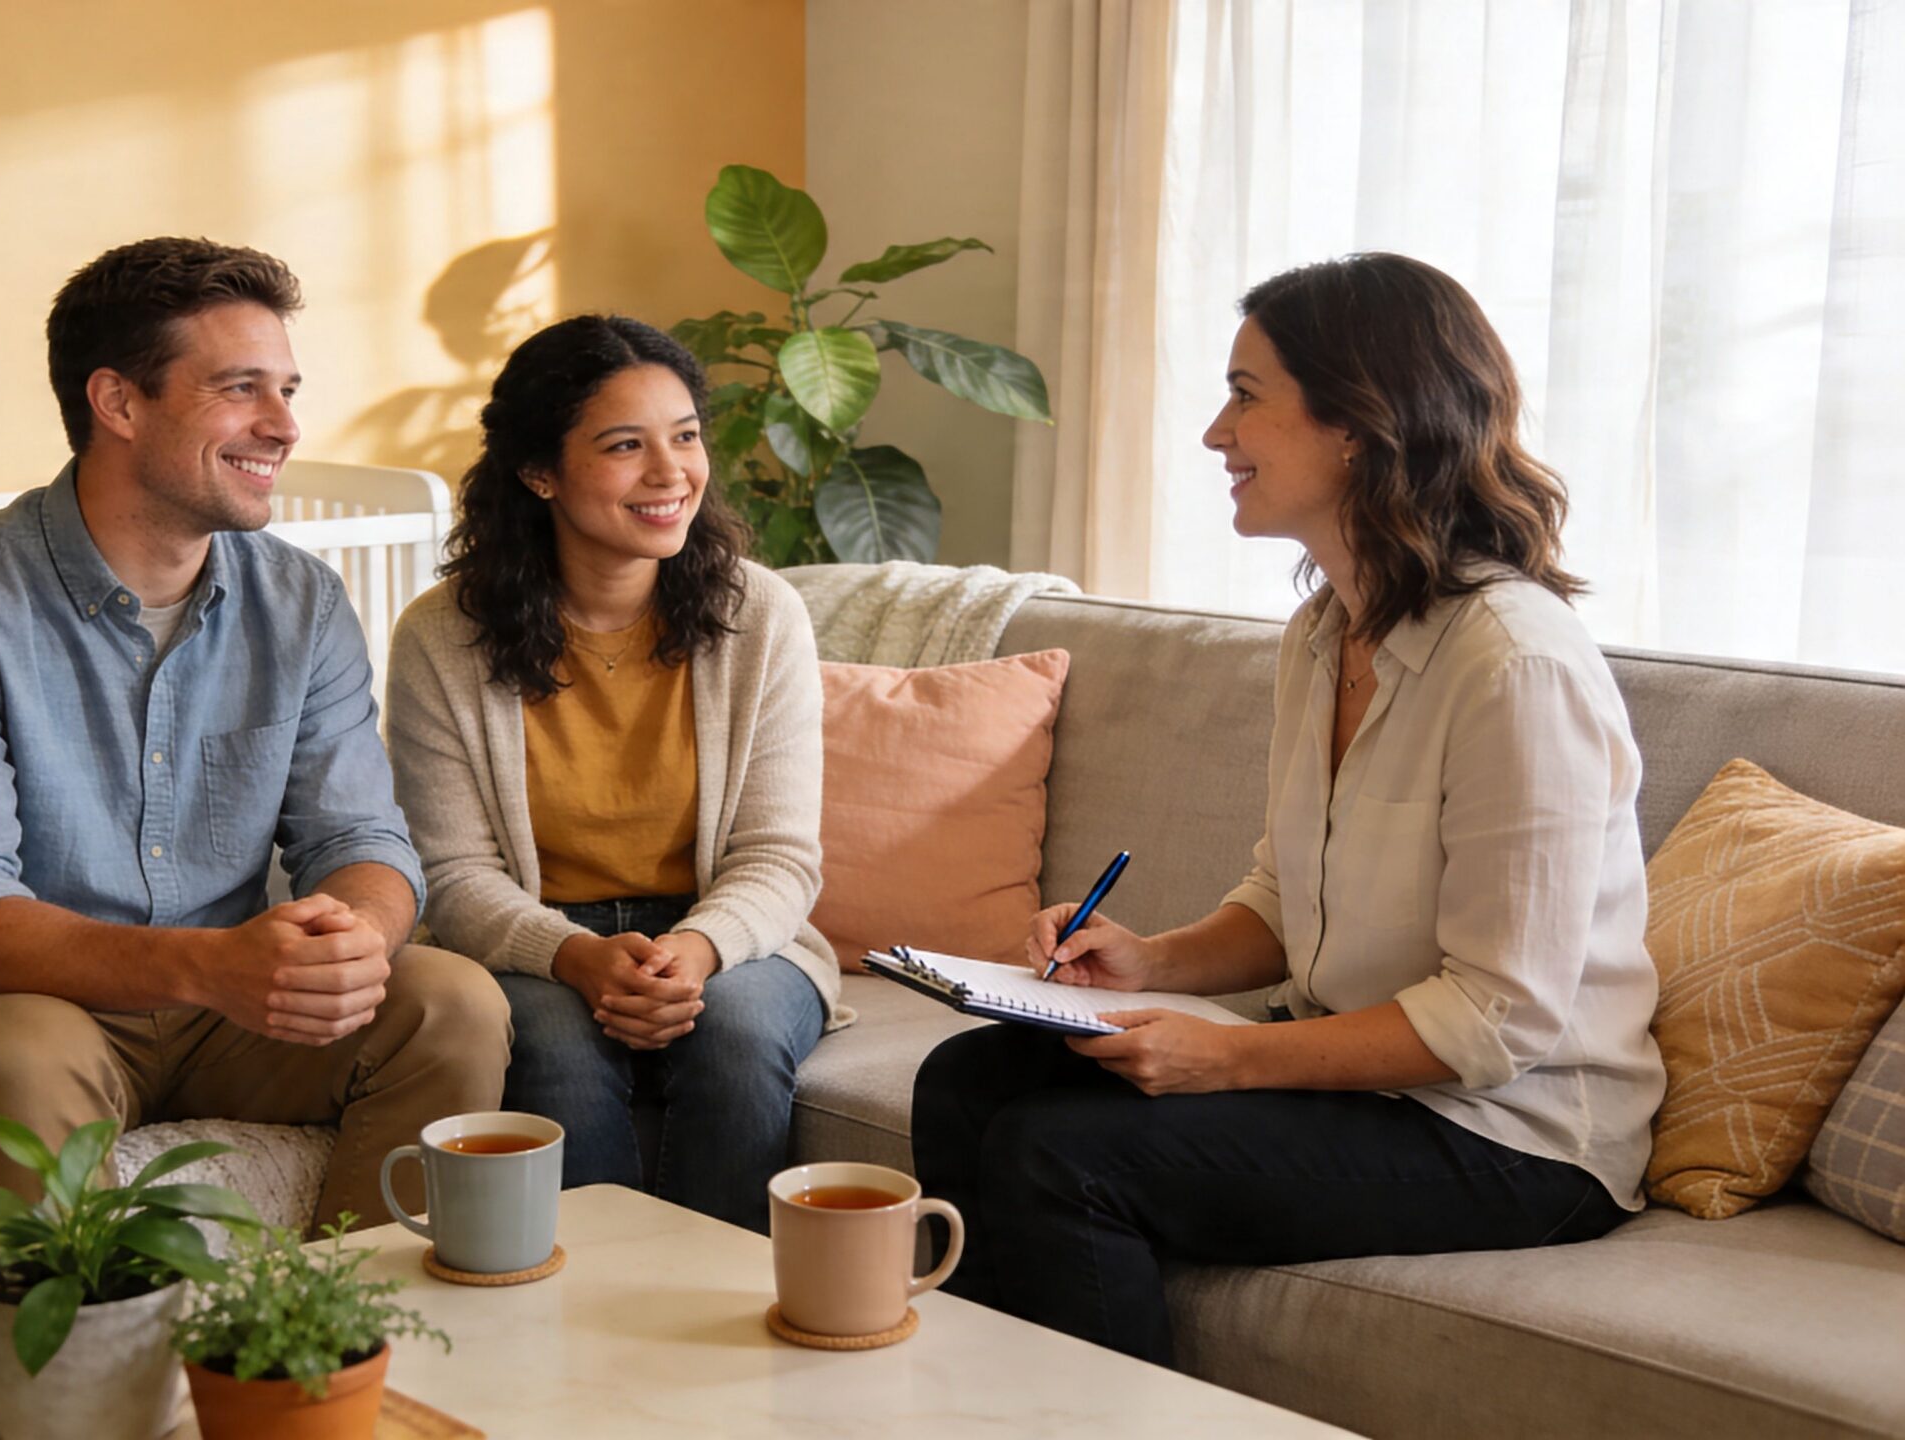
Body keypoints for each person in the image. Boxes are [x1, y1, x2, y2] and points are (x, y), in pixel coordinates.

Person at [912, 253, 1664, 1364]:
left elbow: (1497, 1021)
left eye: (1245, 395)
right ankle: (977, 1409)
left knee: (1058, 1154)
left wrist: (1226, 1060)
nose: (1217, 434)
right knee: (969, 1079)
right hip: (1371, 1083)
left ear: (1357, 422)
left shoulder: (1514, 669)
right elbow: (1284, 900)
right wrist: (1147, 964)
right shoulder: (1324, 636)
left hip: (1519, 1136)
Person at [0, 237, 510, 1230]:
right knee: (27, 1062)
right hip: (17, 1007)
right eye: (243, 389)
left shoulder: (302, 600)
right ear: (117, 403)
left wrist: (354, 941)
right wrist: (205, 966)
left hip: (228, 1018)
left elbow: (360, 842)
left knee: (452, 1004)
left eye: (286, 389)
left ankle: (346, 1347)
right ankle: (41, 1384)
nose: (284, 427)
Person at [385, 314, 845, 1233]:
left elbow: (780, 857)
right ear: (539, 470)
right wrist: (577, 956)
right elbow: (452, 871)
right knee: (551, 1048)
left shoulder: (764, 617)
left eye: (684, 437)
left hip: (726, 935)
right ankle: (587, 1329)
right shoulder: (442, 634)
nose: (671, 472)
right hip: (538, 941)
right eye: (625, 446)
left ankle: (724, 1313)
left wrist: (700, 950)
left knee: (738, 1033)